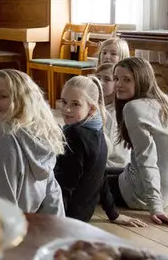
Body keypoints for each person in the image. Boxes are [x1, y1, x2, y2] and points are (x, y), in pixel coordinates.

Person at [109, 58, 168, 228]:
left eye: (127, 80)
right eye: (116, 78)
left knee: (85, 177)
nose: (118, 84)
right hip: (159, 190)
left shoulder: (133, 108)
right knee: (102, 170)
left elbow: (147, 159)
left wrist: (156, 207)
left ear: (142, 80)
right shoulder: (163, 102)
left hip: (138, 195)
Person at [0, 69, 65, 213]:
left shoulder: (4, 135)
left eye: (2, 96)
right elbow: (53, 193)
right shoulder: (39, 133)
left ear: (23, 100)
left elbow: (1, 202)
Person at [55, 75, 144, 227]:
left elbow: (65, 185)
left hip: (66, 215)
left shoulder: (74, 135)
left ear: (91, 108)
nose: (66, 109)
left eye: (75, 104)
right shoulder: (97, 131)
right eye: (64, 102)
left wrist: (56, 224)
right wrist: (113, 214)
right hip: (83, 214)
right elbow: (100, 177)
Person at [95, 61, 128, 167]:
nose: (100, 82)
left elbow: (109, 150)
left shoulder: (114, 114)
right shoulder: (97, 107)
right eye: (98, 77)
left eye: (107, 79)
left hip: (112, 166)